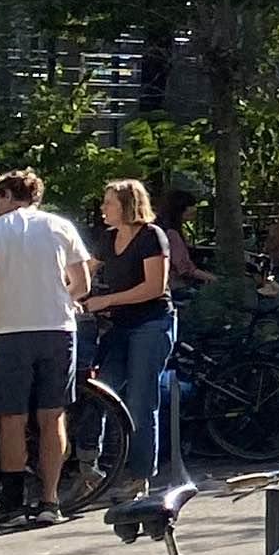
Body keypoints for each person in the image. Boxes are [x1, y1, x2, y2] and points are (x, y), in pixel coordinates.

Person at [0, 164, 92, 520]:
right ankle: (50, 501)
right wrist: (61, 297)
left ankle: (12, 503)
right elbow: (82, 283)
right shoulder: (61, 226)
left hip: (11, 330)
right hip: (57, 328)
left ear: (7, 195)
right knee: (52, 416)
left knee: (12, 417)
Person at [86, 176, 176, 491]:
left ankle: (140, 476)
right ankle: (89, 468)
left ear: (127, 205)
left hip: (152, 323)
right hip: (120, 326)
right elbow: (84, 273)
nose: (103, 208)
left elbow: (154, 287)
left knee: (140, 400)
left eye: (109, 202)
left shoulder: (152, 236)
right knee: (99, 391)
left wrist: (106, 300)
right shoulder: (107, 238)